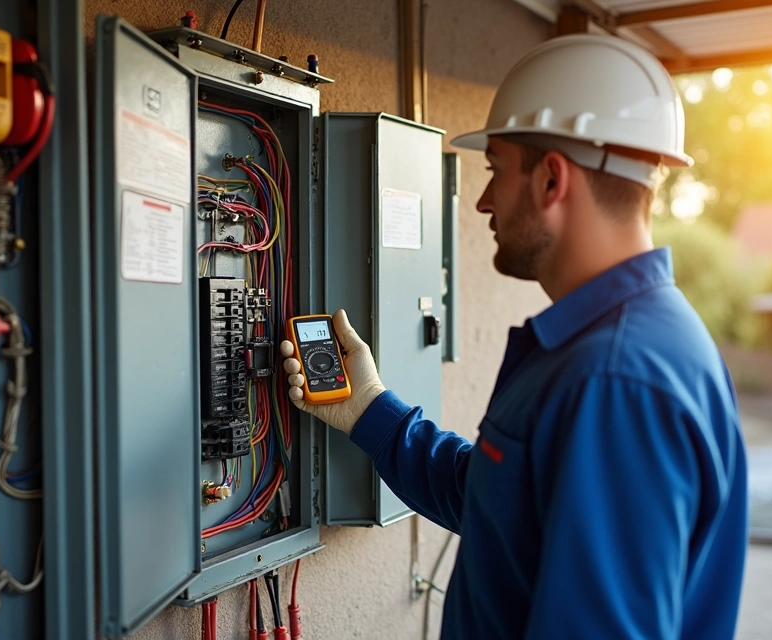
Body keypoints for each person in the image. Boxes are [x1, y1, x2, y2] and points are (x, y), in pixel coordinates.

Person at [279, 34, 747, 639]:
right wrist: (369, 408)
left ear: (552, 181)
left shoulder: (614, 381)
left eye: (496, 171)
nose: (480, 201)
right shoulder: (633, 344)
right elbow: (496, 503)